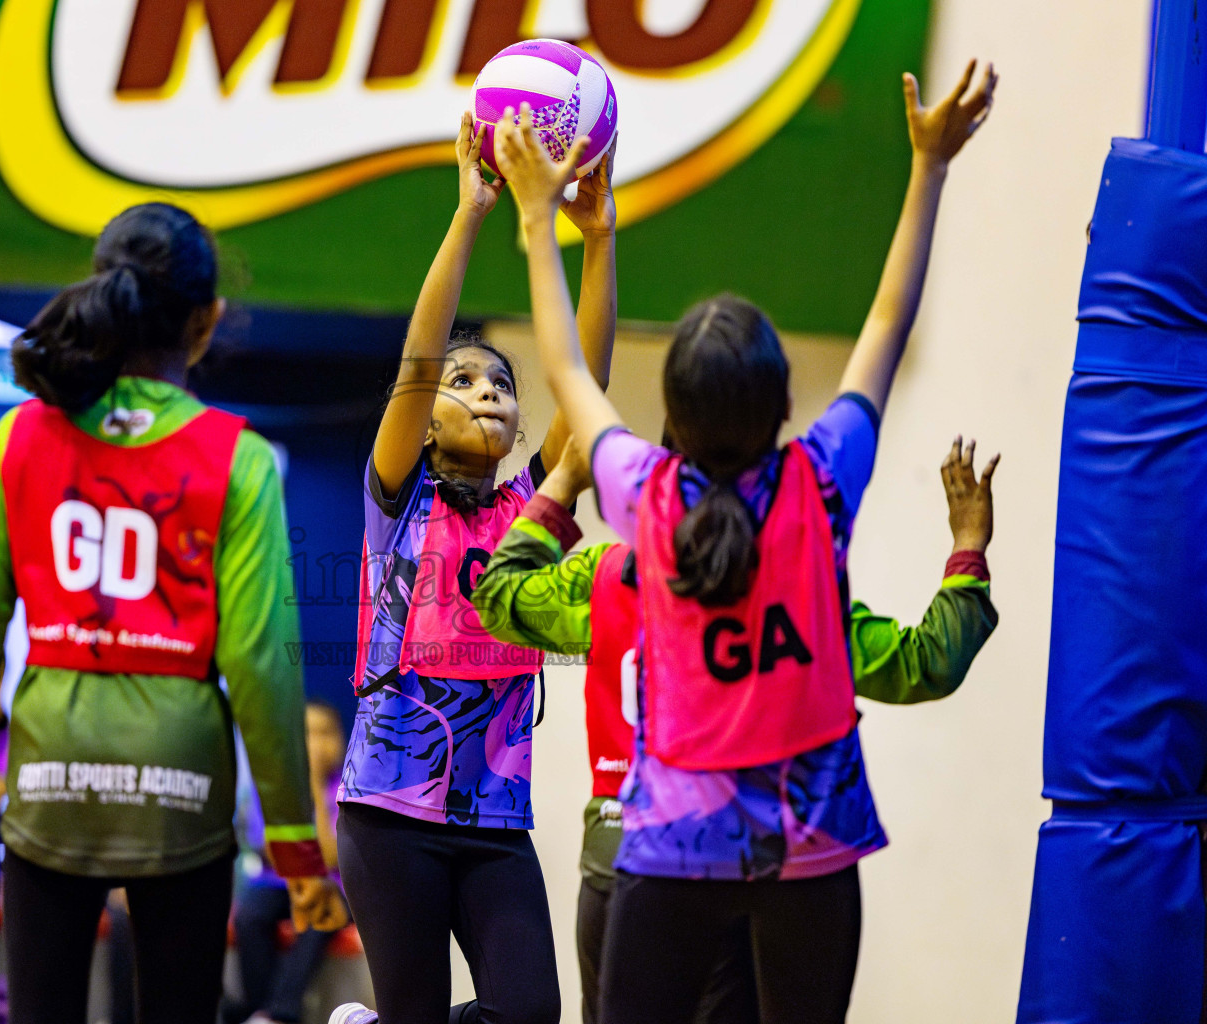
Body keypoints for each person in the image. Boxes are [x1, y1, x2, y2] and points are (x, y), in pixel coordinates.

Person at [494, 59, 996, 1024]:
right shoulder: (821, 479)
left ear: (670, 418)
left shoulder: (646, 494)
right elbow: (887, 322)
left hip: (676, 839)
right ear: (781, 411)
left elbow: (562, 361)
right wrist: (929, 166)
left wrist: (535, 217)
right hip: (814, 840)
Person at [0, 202, 344, 1024]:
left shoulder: (20, 436)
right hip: (180, 779)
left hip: (48, 771)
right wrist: (295, 845)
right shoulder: (240, 457)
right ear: (206, 319)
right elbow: (256, 665)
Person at [470, 436, 1001, 1024]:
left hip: (620, 857)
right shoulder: (797, 593)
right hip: (734, 857)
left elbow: (498, 597)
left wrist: (564, 481)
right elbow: (928, 662)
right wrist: (968, 549)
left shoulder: (606, 576)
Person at [329, 111, 617, 1024]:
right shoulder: (397, 499)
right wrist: (472, 215)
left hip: (496, 824)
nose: (486, 392)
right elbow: (419, 359)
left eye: (501, 385)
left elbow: (589, 382)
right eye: (466, 383)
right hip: (387, 814)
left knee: (528, 1016)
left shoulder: (531, 511)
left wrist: (600, 240)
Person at [226, 699, 347, 1024]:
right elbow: (269, 846)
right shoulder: (274, 785)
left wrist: (315, 786)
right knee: (249, 915)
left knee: (320, 915)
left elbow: (332, 856)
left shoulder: (347, 787)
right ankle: (261, 1009)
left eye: (325, 733)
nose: (316, 743)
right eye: (307, 733)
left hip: (330, 888)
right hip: (276, 882)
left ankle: (279, 1013)